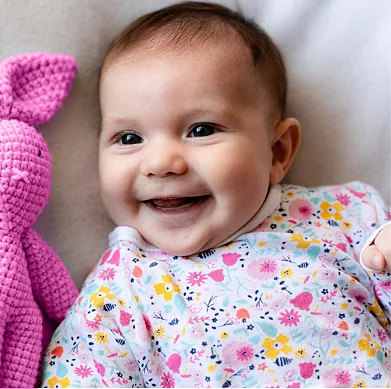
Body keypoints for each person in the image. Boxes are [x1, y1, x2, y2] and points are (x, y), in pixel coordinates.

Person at [41, 2, 391, 387]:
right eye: (129, 138)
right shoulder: (114, 297)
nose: (161, 163)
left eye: (201, 130)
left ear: (277, 152)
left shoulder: (344, 218)